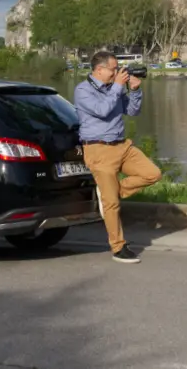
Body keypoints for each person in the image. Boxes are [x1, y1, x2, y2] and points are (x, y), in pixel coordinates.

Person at [73, 50, 162, 264]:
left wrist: (135, 91)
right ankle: (119, 247)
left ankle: (113, 191)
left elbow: (132, 111)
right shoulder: (83, 90)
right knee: (112, 204)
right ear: (99, 69)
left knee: (153, 174)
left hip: (122, 145)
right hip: (98, 150)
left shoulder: (115, 87)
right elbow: (102, 110)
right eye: (113, 69)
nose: (117, 72)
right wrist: (118, 86)